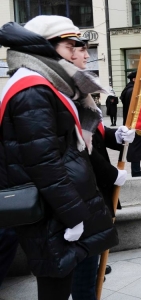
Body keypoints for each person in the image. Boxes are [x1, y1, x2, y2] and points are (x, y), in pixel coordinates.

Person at [0, 16, 118, 300]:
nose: (83, 53)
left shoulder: (46, 83)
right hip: (52, 212)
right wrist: (74, 216)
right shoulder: (33, 89)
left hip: (58, 208)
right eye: (72, 46)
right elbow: (44, 163)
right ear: (46, 49)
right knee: (55, 287)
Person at [69, 38, 132, 300]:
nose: (86, 55)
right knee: (84, 273)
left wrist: (116, 136)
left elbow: (97, 133)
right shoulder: (67, 94)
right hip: (85, 191)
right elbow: (80, 149)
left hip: (95, 189)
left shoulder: (80, 94)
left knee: (92, 261)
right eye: (80, 50)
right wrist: (112, 174)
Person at [121, 71, 141, 176]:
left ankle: (137, 170)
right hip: (135, 123)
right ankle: (136, 171)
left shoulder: (129, 90)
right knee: (136, 146)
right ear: (134, 79)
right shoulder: (132, 91)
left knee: (136, 146)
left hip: (134, 123)